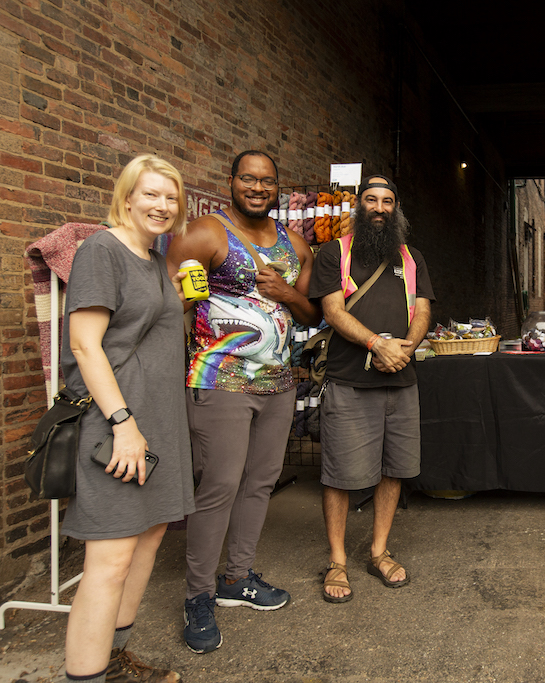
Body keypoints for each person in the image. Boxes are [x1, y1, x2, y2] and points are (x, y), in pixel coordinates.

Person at [166, 150, 320, 654]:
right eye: (248, 179)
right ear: (231, 182)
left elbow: (310, 314)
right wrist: (184, 301)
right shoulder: (204, 233)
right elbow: (164, 299)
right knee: (220, 487)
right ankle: (198, 596)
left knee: (260, 483)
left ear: (278, 187)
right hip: (220, 381)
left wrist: (286, 293)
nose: (258, 188)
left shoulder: (297, 244)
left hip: (279, 384)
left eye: (267, 181)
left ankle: (237, 577)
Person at [61, 154, 194, 682]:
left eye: (171, 197)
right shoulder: (101, 250)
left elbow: (142, 331)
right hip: (118, 426)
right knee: (110, 561)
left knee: (147, 544)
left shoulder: (152, 258)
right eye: (152, 194)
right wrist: (122, 423)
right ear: (127, 196)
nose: (163, 205)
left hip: (157, 423)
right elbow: (84, 345)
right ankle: (86, 676)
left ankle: (114, 661)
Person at [308, 175, 434, 603]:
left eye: (387, 201)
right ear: (358, 206)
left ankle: (379, 551)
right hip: (350, 381)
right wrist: (377, 344)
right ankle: (337, 560)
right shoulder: (334, 253)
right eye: (371, 200)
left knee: (393, 469)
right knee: (339, 475)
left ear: (396, 209)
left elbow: (422, 310)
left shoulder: (411, 257)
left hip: (401, 380)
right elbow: (332, 311)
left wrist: (404, 350)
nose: (379, 208)